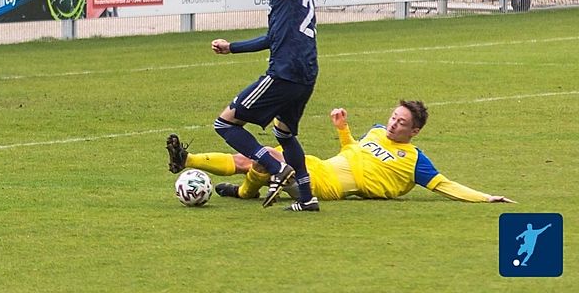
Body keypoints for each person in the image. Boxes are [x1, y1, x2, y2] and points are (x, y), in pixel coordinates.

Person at [166, 100, 515, 204]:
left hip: (329, 185)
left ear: (415, 131)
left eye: (402, 122)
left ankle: (244, 191)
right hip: (320, 165)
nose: (393, 124)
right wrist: (343, 130)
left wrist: (487, 198)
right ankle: (189, 161)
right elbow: (354, 152)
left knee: (269, 157)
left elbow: (445, 184)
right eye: (394, 117)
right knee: (255, 159)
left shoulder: (414, 161)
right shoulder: (376, 131)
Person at [202, 0, 331, 211]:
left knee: (224, 124)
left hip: (285, 73)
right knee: (284, 135)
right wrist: (231, 48)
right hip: (306, 76)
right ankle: (307, 198)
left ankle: (276, 167)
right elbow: (271, 38)